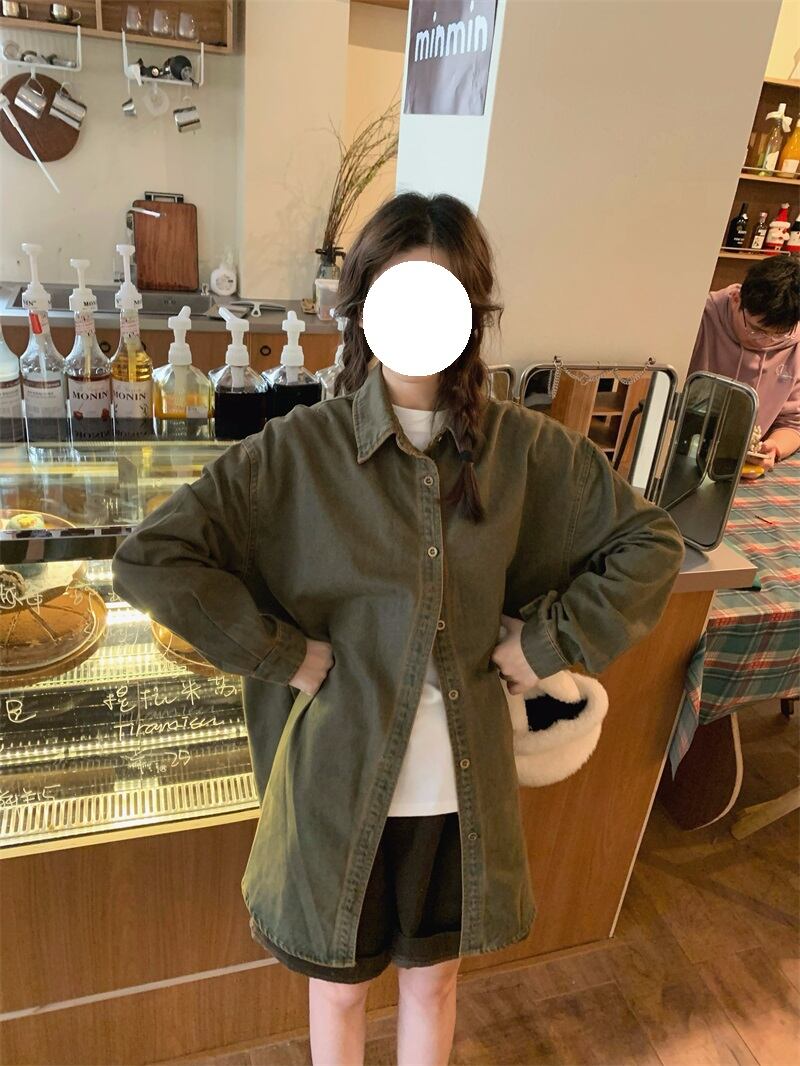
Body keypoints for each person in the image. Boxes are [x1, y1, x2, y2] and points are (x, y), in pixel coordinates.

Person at [112, 192, 685, 1066]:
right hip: (336, 788)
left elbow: (650, 544)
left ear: (472, 312)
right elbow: (151, 558)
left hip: (461, 791)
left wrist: (542, 646)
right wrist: (284, 654)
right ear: (362, 307)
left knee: (435, 985)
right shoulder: (297, 453)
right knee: (339, 993)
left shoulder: (526, 451)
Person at [688, 255, 800, 474]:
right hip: (683, 448)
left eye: (778, 335)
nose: (766, 341)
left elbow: (794, 424)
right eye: (757, 330)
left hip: (740, 465)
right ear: (737, 299)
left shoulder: (795, 342)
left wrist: (774, 448)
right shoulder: (701, 317)